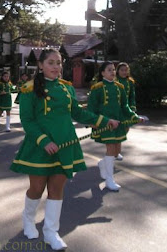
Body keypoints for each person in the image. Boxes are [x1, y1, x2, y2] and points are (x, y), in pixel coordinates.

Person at [10, 49, 119, 250]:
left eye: (59, 63)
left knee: (57, 188)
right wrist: (44, 141)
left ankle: (51, 232)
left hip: (65, 144)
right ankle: (28, 219)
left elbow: (78, 113)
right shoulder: (29, 89)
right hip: (40, 146)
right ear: (41, 65)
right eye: (51, 62)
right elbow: (27, 120)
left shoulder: (67, 89)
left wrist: (104, 121)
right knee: (37, 188)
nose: (56, 67)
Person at [87, 61, 144, 191]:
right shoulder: (97, 88)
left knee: (114, 150)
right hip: (105, 122)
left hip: (118, 122)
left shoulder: (120, 87)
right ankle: (109, 179)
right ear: (102, 73)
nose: (112, 72)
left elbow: (125, 106)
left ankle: (103, 164)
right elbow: (92, 107)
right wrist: (93, 121)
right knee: (111, 148)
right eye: (109, 70)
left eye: (113, 69)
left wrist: (134, 117)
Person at [115, 62, 137, 161]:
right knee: (118, 130)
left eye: (126, 70)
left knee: (126, 129)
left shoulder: (130, 82)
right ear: (117, 71)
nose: (124, 72)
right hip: (116, 109)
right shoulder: (114, 81)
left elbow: (132, 95)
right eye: (122, 70)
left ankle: (115, 149)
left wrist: (133, 107)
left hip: (126, 109)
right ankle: (116, 152)